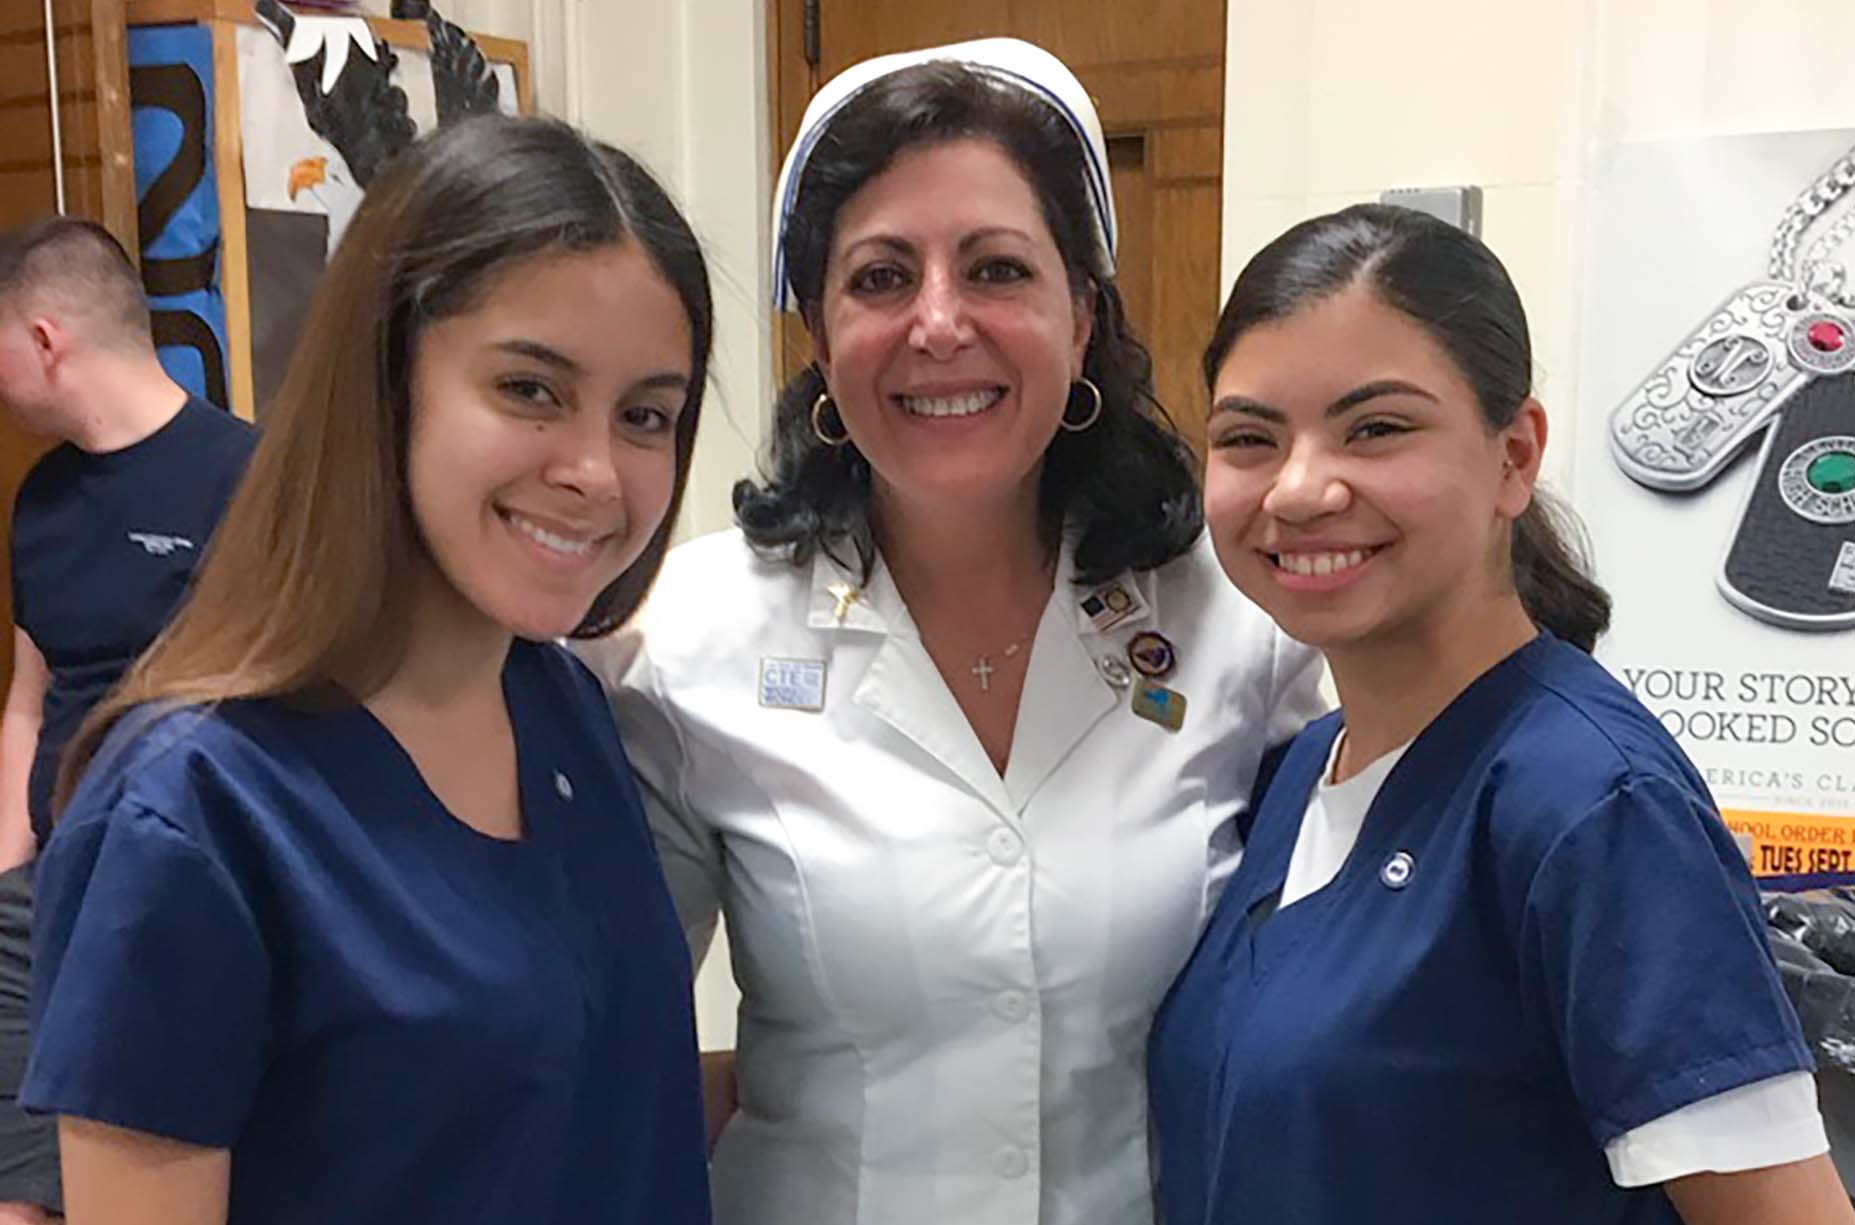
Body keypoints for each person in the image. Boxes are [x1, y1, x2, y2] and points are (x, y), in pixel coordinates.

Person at [575, 38, 1323, 1225]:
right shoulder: (681, 641)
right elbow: (596, 1042)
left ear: (1081, 320)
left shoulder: (1242, 626)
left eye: (995, 269)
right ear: (817, 338)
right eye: (878, 277)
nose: (937, 324)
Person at [20, 115, 714, 1225]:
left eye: (646, 415)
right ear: (385, 380)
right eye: (531, 389)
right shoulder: (191, 811)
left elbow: (557, 1104)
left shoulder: (565, 711)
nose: (596, 471)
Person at [1147, 203, 1852, 1225]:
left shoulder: (1590, 803)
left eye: (1376, 428)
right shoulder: (1303, 771)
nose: (1298, 488)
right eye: (1248, 438)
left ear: (1513, 454)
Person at [0, 216, 257, 1222]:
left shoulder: (248, 476)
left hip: (175, 888)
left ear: (45, 337)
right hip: (47, 888)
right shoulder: (42, 500)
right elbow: (32, 695)